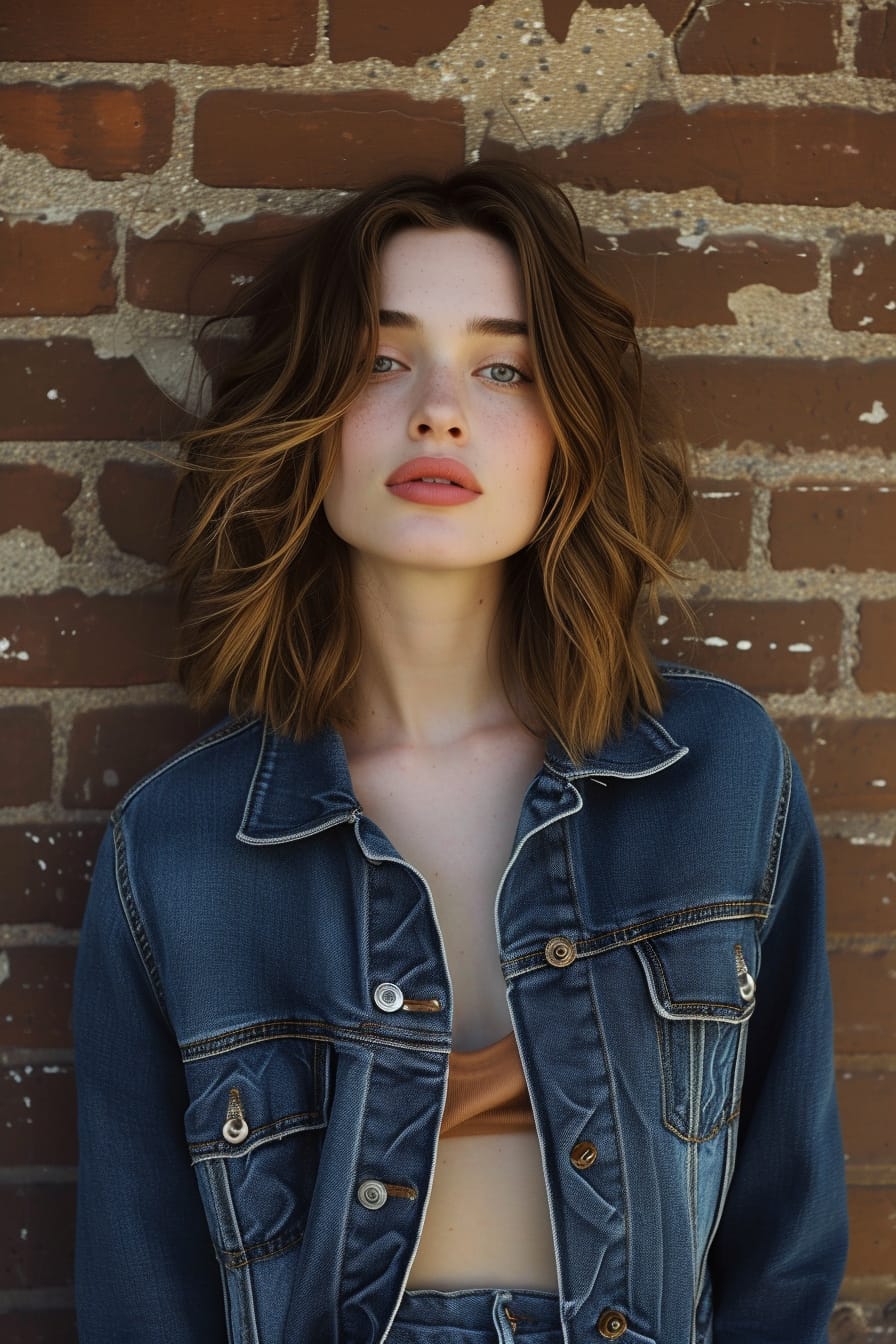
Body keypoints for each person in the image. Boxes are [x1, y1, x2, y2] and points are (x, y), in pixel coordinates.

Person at [73, 162, 848, 1344]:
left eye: (502, 368)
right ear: (308, 420)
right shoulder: (180, 851)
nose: (438, 409)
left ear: (562, 437)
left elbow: (782, 1240)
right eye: (382, 361)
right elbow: (144, 1294)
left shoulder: (714, 776)